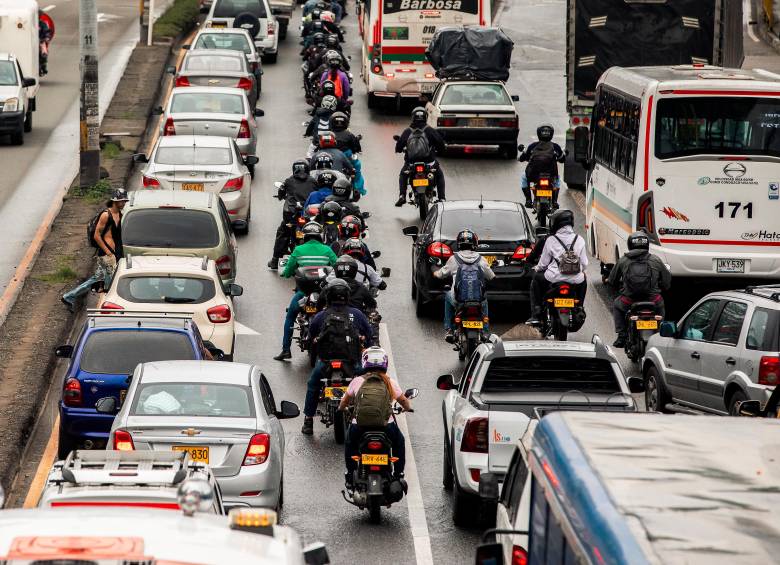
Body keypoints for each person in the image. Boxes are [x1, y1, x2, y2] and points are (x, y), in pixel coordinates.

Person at [301, 278, 372, 435]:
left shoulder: (321, 316)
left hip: (325, 362)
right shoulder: (357, 314)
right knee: (367, 383)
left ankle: (308, 420)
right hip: (352, 362)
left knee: (313, 384)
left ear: (328, 296)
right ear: (347, 296)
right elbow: (369, 333)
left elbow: (311, 334)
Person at [338, 347, 411, 488]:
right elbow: (403, 401)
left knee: (349, 443)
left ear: (365, 362)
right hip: (386, 426)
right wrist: (408, 408)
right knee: (399, 442)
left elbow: (344, 402)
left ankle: (350, 475)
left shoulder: (357, 381)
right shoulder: (390, 382)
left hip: (359, 426)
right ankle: (398, 474)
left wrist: (342, 408)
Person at [274, 222, 338, 361]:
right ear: (320, 236)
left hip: (303, 292)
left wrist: (286, 273)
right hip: (324, 294)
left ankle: (286, 350)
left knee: (291, 316)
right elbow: (337, 268)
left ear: (306, 236)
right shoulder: (327, 250)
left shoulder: (298, 250)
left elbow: (288, 271)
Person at [61, 189, 128, 312]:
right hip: (106, 253)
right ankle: (106, 306)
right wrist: (108, 252)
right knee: (107, 281)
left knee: (103, 279)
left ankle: (70, 296)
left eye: (124, 200)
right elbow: (97, 236)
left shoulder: (120, 215)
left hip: (114, 253)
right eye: (121, 201)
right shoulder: (106, 215)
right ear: (114, 201)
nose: (123, 203)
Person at [608, 231, 671, 347]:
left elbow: (612, 281)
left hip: (629, 301)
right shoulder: (656, 260)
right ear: (647, 244)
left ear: (630, 245)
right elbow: (667, 283)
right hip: (653, 301)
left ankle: (621, 336)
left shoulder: (623, 260)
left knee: (617, 304)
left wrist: (620, 289)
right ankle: (660, 336)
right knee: (661, 306)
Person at [433, 229, 495, 343]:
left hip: (458, 300)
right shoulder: (481, 259)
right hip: (478, 299)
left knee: (447, 296)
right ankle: (485, 331)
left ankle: (449, 330)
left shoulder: (453, 259)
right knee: (485, 301)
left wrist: (435, 273)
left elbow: (441, 274)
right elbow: (491, 276)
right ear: (475, 244)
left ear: (459, 244)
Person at [527, 210, 588, 325]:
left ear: (556, 223)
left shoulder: (551, 240)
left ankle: (537, 312)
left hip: (553, 278)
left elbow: (543, 264)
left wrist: (536, 268)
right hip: (575, 280)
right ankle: (580, 306)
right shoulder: (579, 239)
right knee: (584, 278)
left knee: (536, 279)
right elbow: (584, 264)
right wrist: (578, 271)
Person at [268, 160, 318, 270]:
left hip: (291, 213)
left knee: (283, 232)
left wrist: (281, 194)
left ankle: (275, 260)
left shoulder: (289, 180)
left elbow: (281, 194)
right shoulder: (313, 181)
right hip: (308, 214)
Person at [395, 107, 446, 206]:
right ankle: (442, 198)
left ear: (413, 117)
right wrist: (441, 150)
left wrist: (399, 149)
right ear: (425, 117)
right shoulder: (430, 130)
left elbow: (399, 147)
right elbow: (440, 144)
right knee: (439, 175)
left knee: (403, 175)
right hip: (429, 163)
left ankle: (402, 196)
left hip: (411, 163)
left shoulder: (407, 131)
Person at [518, 124, 565, 209]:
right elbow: (562, 159)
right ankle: (554, 201)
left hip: (534, 174)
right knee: (557, 180)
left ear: (538, 133)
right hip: (551, 175)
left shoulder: (533, 146)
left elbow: (524, 157)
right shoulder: (555, 147)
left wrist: (521, 158)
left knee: (524, 178)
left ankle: (528, 200)